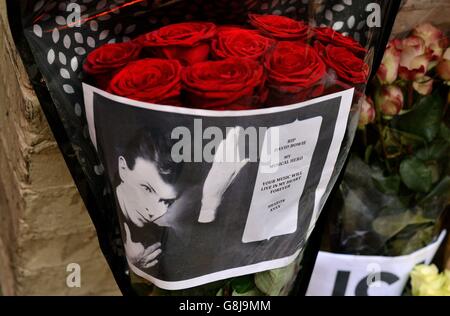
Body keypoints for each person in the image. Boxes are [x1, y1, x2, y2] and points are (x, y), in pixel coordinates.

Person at [115, 127, 248, 272]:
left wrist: (210, 202)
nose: (151, 210)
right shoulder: (101, 197)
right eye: (146, 189)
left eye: (166, 201)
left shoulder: (162, 230)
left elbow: (200, 262)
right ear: (123, 168)